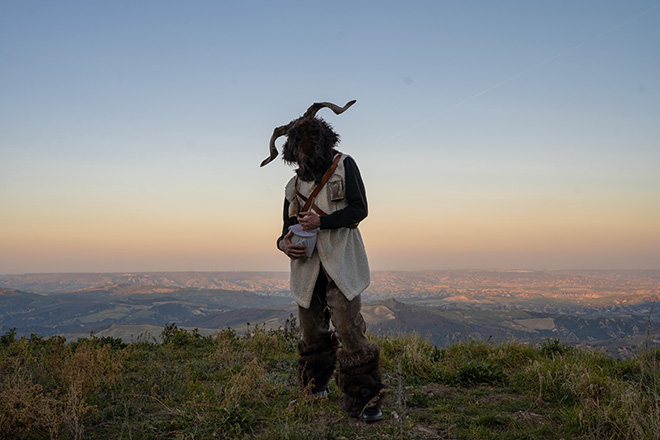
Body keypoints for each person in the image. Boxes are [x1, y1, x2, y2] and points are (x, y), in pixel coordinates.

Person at [260, 100, 384, 423]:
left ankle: (366, 400)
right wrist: (284, 244)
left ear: (322, 142)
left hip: (340, 261)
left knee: (347, 326)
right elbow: (285, 230)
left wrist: (322, 224)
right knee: (311, 330)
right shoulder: (294, 185)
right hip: (307, 266)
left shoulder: (345, 166)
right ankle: (315, 388)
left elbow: (360, 210)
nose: (306, 156)